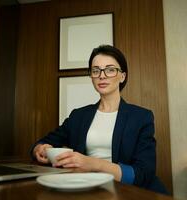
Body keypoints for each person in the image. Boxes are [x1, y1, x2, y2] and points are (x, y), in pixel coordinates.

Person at [31, 45, 168, 194]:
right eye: (96, 71)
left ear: (122, 76)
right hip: (88, 189)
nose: (102, 76)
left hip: (131, 192)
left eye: (109, 69)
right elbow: (44, 141)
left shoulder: (141, 117)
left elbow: (143, 173)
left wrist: (92, 163)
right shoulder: (79, 116)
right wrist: (41, 149)